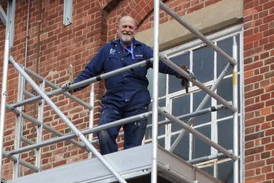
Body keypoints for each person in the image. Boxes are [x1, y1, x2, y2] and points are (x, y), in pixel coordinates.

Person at [70, 15, 188, 155]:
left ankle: (127, 172)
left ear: (135, 30)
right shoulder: (107, 50)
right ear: (117, 28)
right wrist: (74, 86)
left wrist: (180, 72)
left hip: (137, 102)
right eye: (124, 26)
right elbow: (90, 70)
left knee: (132, 148)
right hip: (113, 101)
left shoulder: (142, 49)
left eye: (130, 27)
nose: (127, 30)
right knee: (103, 131)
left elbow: (160, 63)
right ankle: (112, 163)